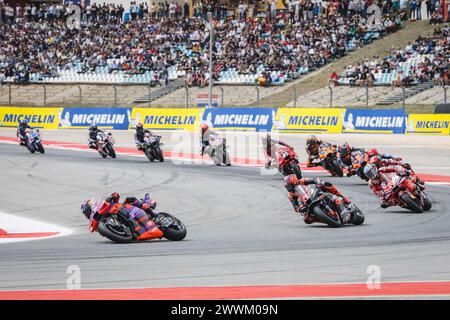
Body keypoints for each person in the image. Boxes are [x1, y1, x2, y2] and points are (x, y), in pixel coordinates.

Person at [81, 192, 163, 241]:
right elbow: (103, 233)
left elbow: (116, 196)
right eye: (86, 213)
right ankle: (128, 230)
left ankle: (153, 213)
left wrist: (113, 197)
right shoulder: (96, 222)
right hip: (129, 229)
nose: (87, 213)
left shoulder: (105, 203)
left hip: (129, 210)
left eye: (87, 210)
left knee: (130, 199)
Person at [283, 175, 353, 225]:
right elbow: (295, 207)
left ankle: (343, 198)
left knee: (327, 185)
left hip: (313, 193)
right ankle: (327, 219)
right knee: (307, 220)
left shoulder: (302, 181)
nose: (288, 188)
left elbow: (314, 179)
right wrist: (299, 208)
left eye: (289, 185)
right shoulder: (291, 195)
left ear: (294, 181)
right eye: (287, 186)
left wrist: (318, 183)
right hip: (306, 204)